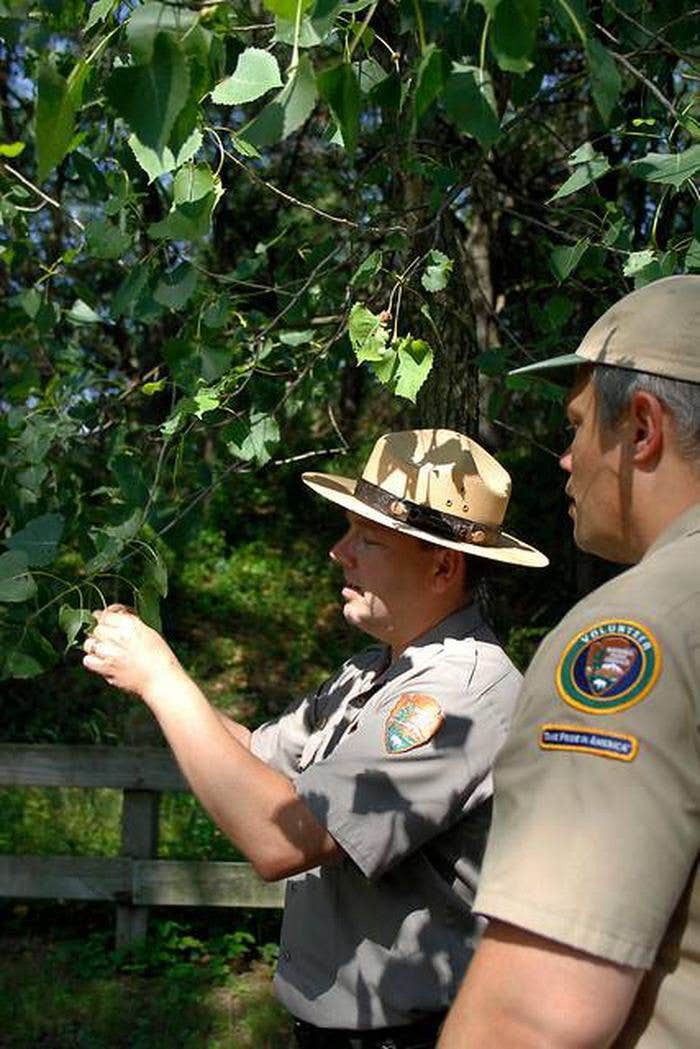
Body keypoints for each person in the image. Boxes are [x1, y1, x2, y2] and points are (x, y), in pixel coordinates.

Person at [82, 428, 547, 1049]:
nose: (339, 551)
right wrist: (153, 680)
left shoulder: (459, 696)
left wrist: (163, 680)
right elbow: (251, 755)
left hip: (410, 1036)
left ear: (442, 564)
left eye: (368, 539)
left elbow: (281, 839)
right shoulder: (374, 669)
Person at [438, 275, 700, 1049]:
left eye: (579, 424)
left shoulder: (636, 631)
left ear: (643, 428)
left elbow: (531, 1018)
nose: (564, 457)